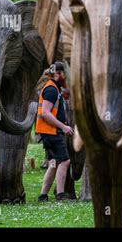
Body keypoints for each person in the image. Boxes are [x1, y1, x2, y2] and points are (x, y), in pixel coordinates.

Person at [36, 61, 74, 202]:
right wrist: (63, 127)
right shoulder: (51, 89)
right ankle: (60, 195)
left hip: (49, 131)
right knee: (65, 161)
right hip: (51, 131)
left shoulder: (55, 88)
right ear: (58, 74)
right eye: (65, 73)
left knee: (53, 162)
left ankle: (43, 195)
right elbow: (46, 113)